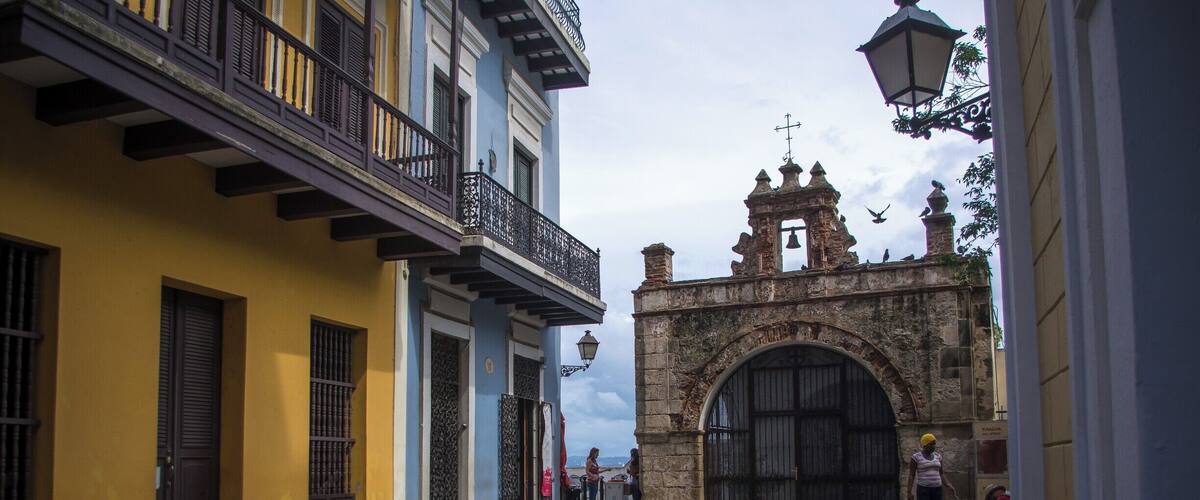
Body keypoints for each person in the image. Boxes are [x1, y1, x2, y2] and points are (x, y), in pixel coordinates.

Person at [907, 433, 958, 500]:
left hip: (937, 489)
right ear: (924, 445)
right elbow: (911, 475)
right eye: (931, 444)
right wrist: (909, 492)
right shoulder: (916, 457)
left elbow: (941, 473)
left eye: (934, 444)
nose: (934, 446)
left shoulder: (938, 456)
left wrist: (948, 484)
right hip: (924, 489)